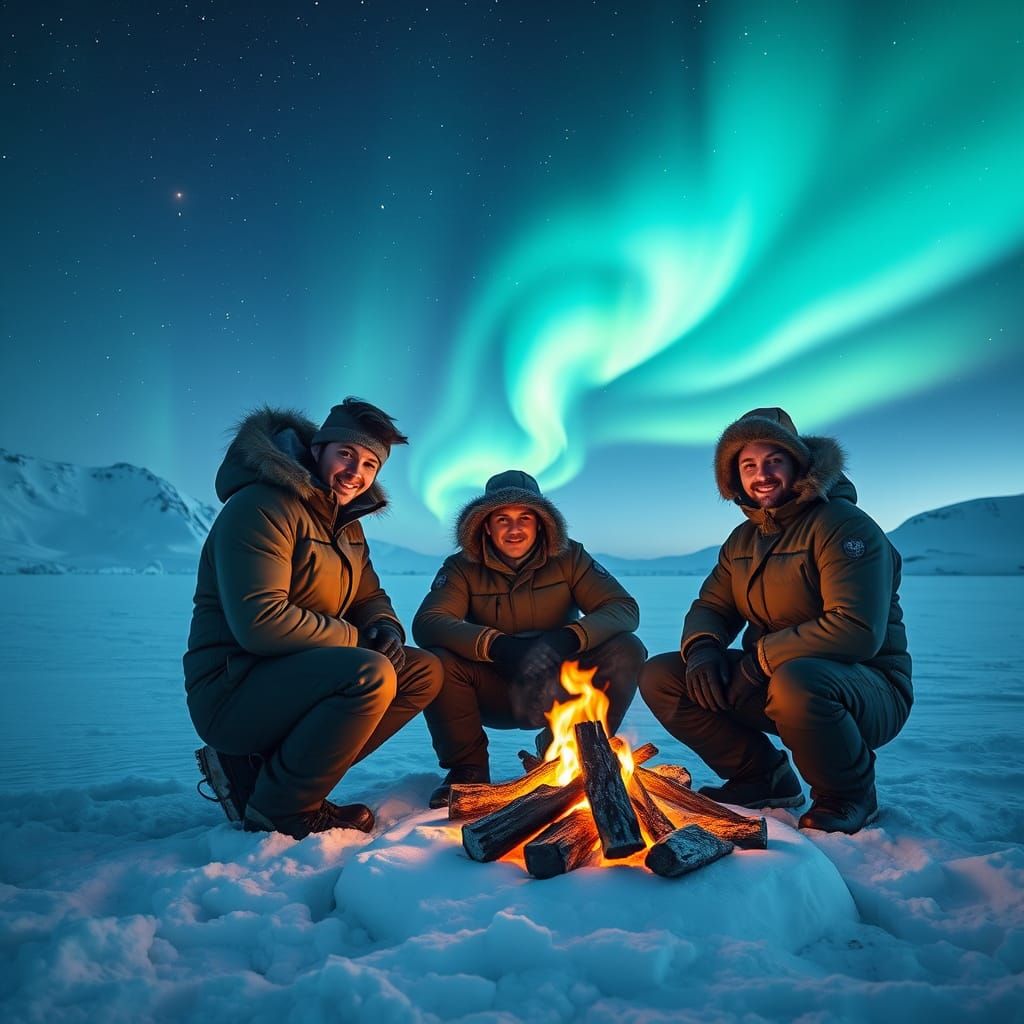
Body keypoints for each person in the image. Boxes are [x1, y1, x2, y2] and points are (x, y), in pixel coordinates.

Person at [639, 408, 912, 834]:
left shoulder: (843, 527)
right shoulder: (743, 540)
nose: (761, 474)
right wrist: (704, 650)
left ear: (799, 463)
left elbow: (856, 629)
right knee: (664, 675)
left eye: (774, 461)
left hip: (867, 688)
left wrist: (759, 661)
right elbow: (712, 604)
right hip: (775, 680)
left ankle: (849, 794)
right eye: (748, 465)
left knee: (797, 681)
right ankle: (762, 778)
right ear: (735, 477)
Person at [184, 399, 442, 839]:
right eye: (345, 454)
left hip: (293, 678)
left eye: (369, 465)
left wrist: (385, 629)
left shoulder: (345, 524)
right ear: (318, 448)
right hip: (232, 688)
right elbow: (262, 622)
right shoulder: (261, 506)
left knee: (420, 671)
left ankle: (260, 773)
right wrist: (359, 639)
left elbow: (370, 595)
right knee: (370, 673)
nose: (354, 472)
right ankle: (281, 808)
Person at [413, 470, 646, 808]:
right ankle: (468, 772)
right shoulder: (461, 566)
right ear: (486, 525)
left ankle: (575, 750)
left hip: (560, 687)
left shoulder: (570, 557)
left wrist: (567, 639)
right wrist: (497, 646)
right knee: (438, 661)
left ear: (541, 523)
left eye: (525, 517)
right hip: (496, 688)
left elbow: (624, 609)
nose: (514, 528)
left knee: (627, 648)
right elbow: (429, 623)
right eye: (502, 518)